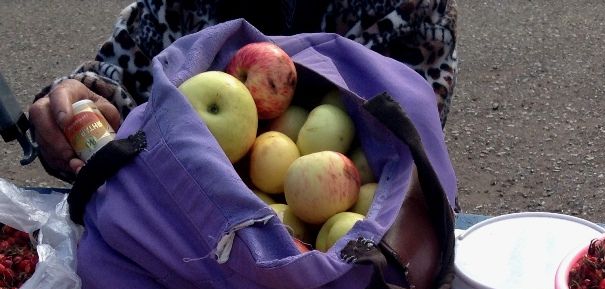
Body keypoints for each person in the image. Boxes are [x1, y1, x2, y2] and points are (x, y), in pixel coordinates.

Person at [29, 0, 458, 182]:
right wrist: (79, 100)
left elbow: (410, 148)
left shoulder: (405, 7)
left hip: (331, 251)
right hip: (186, 227)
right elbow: (127, 71)